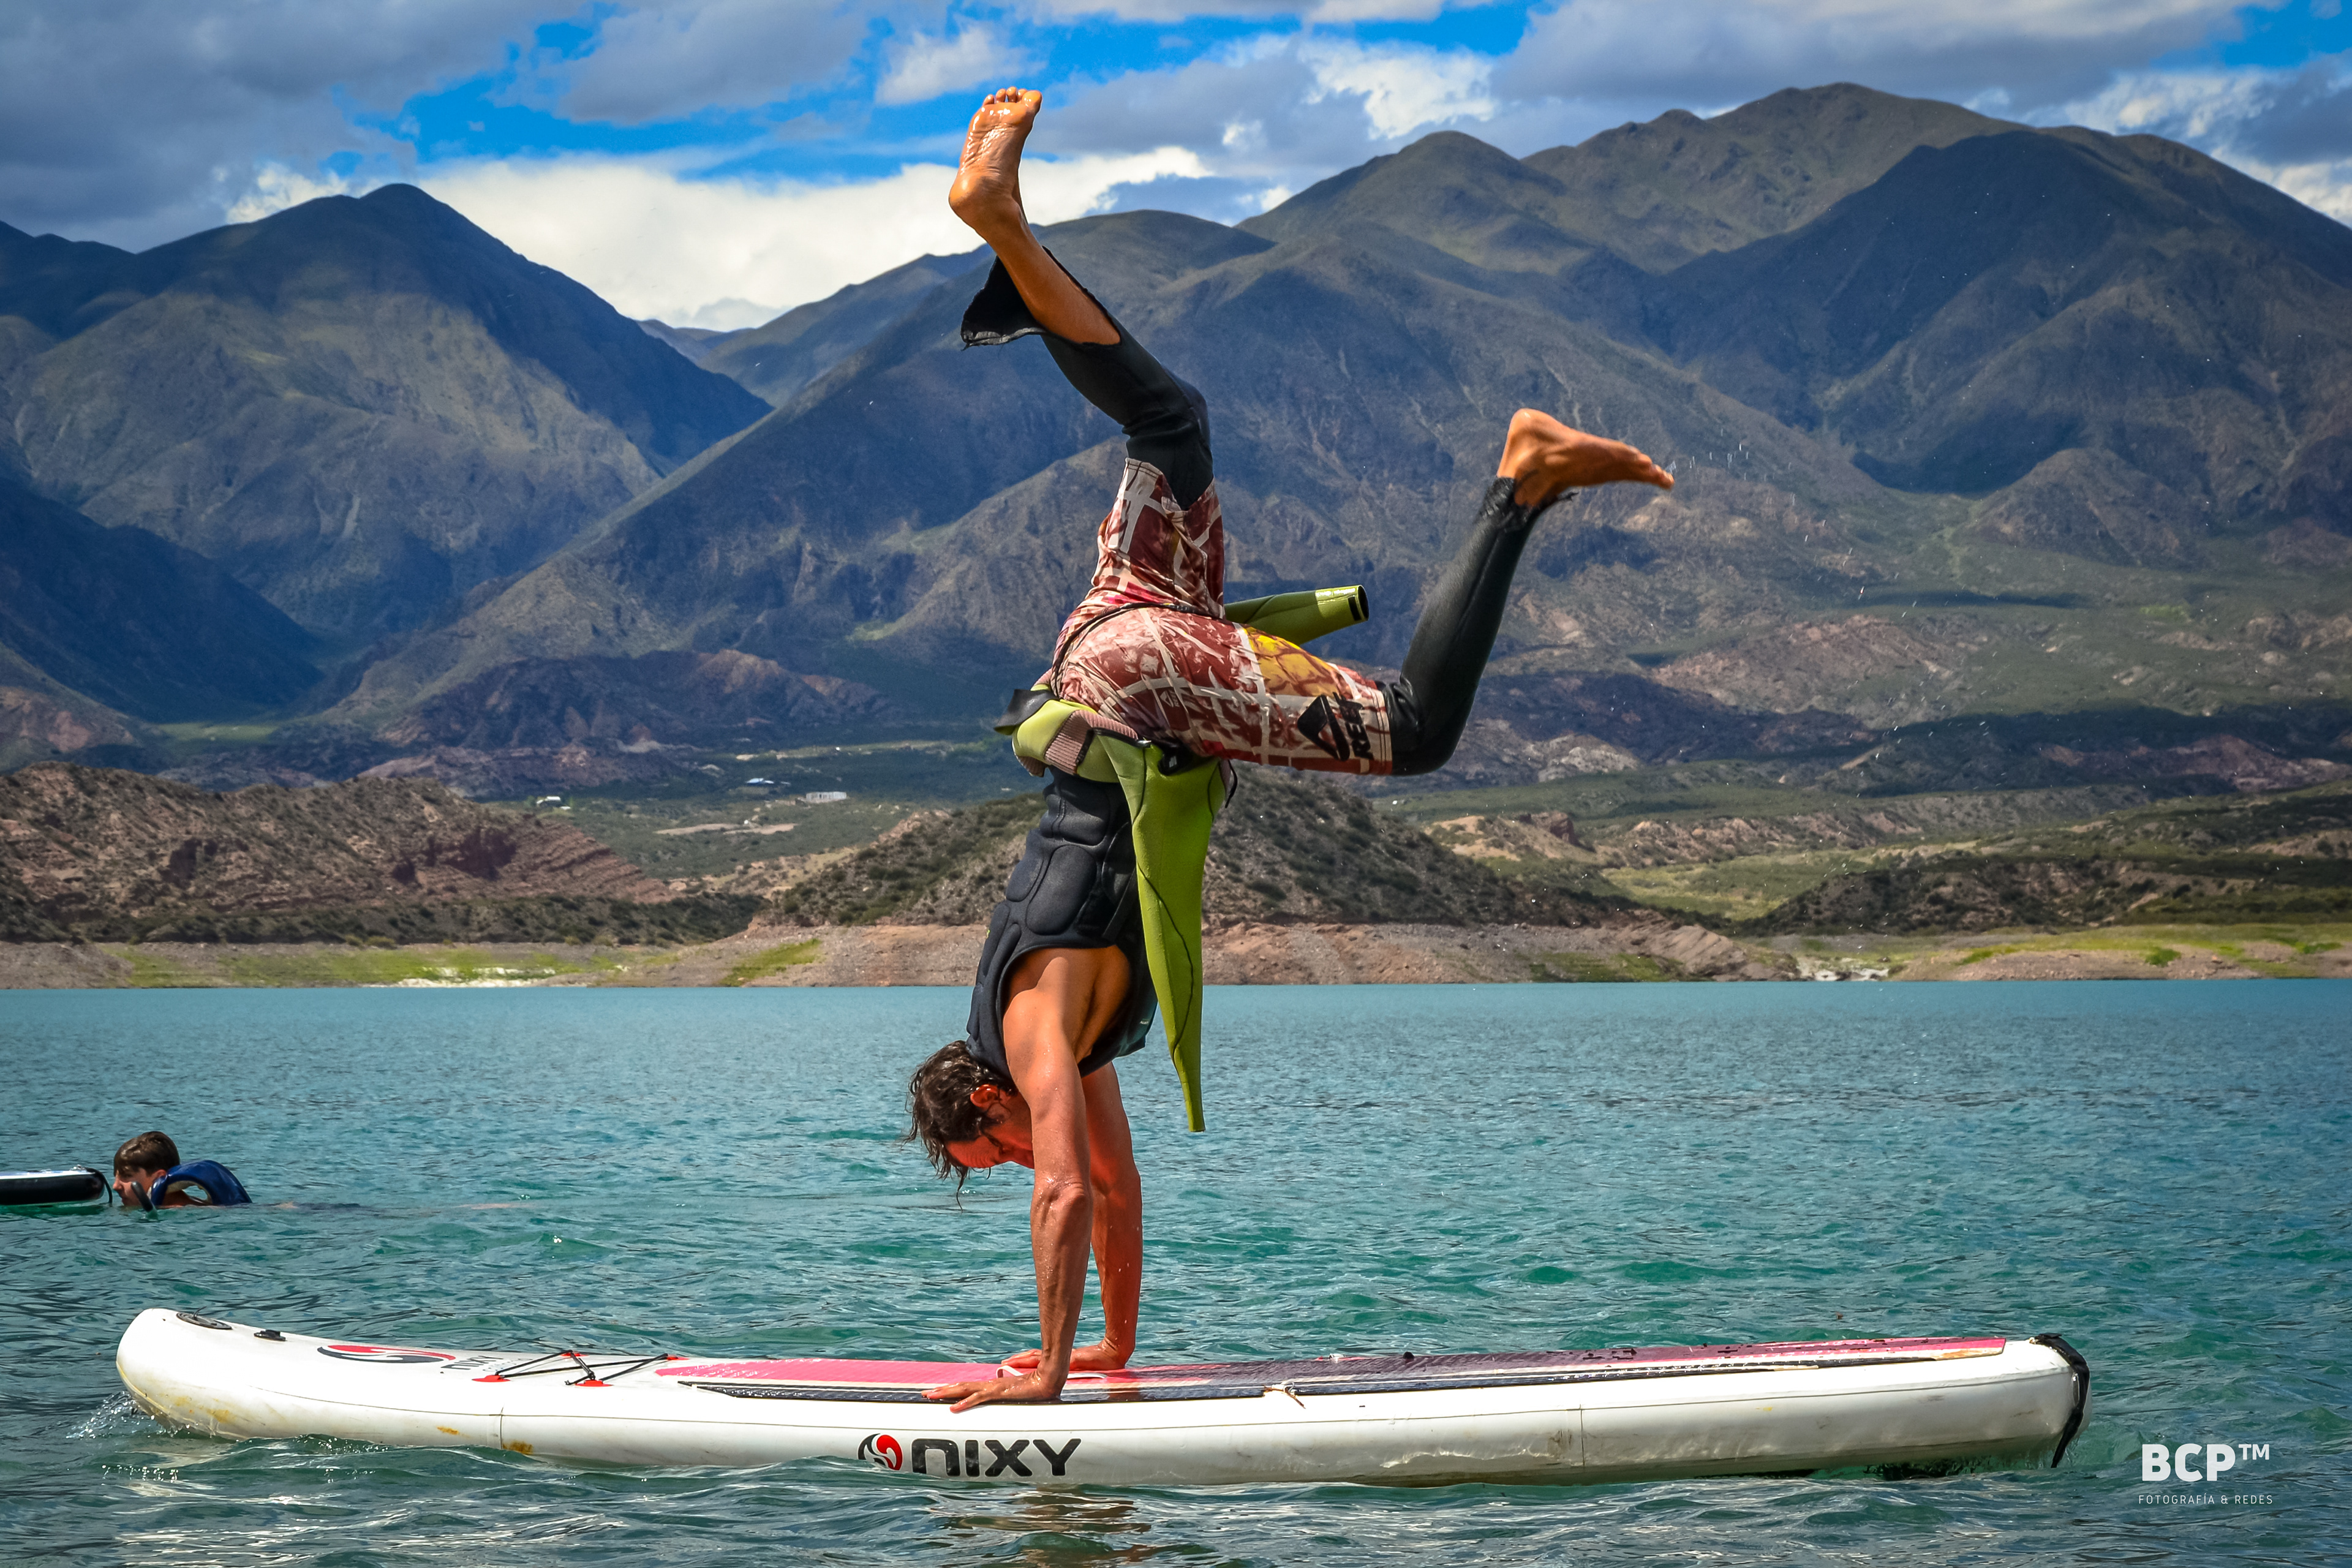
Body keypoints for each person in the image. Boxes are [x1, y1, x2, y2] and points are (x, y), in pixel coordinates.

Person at [911, 87, 1673, 1413]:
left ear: (975, 1101)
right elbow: (1118, 1187)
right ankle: (1007, 234)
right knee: (1174, 429)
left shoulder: (1027, 1027)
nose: (1012, 1155)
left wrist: (1035, 1372)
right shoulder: (1069, 1052)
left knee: (1415, 733)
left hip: (1137, 691)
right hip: (1113, 645)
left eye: (985, 1155)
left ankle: (1525, 480)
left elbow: (1066, 1189)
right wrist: (1112, 1353)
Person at [112, 1131, 251, 1210]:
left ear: (158, 1178)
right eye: (116, 1177)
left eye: (126, 1176)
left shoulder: (185, 1210)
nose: (115, 1186)